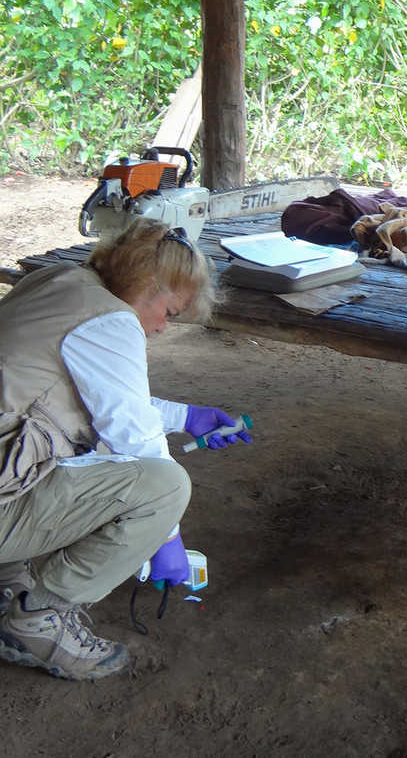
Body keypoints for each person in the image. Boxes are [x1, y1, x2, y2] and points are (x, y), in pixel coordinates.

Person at [0, 218, 251, 681]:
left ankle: (5, 584)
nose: (162, 329)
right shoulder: (112, 323)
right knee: (163, 487)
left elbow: (102, 398)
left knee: (51, 452)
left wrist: (185, 416)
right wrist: (166, 538)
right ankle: (36, 619)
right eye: (170, 314)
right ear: (147, 286)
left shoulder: (60, 283)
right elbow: (133, 439)